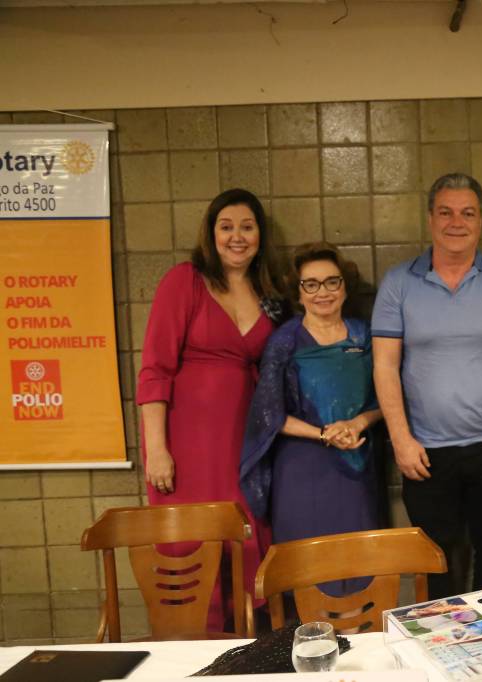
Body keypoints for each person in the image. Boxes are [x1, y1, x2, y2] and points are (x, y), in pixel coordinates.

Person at [371, 172, 482, 599]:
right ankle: (443, 640)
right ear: (430, 219)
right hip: (425, 452)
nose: (456, 223)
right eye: (445, 212)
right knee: (436, 563)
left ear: (480, 221)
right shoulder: (399, 283)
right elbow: (384, 365)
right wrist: (401, 440)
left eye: (467, 213)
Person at [136, 187, 287, 630]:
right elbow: (154, 368)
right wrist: (157, 449)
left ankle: (245, 648)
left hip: (242, 445)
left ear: (260, 235)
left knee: (242, 537)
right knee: (191, 543)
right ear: (211, 233)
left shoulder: (269, 292)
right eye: (227, 227)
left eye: (247, 227)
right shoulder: (184, 281)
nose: (237, 236)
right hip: (186, 445)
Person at [240, 243, 381, 594]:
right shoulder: (284, 342)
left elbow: (387, 399)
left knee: (359, 567)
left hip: (357, 465)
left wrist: (357, 424)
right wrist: (323, 434)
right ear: (298, 292)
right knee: (309, 576)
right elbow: (268, 415)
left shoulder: (365, 335)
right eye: (312, 284)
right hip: (303, 469)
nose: (323, 292)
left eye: (332, 282)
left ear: (345, 286)